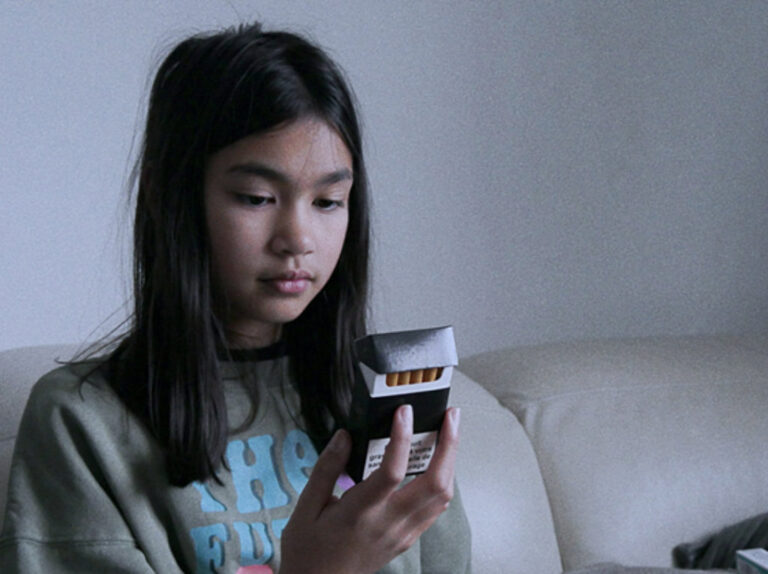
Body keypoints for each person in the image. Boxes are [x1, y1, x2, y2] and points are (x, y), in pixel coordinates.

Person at [0, 22, 471, 574]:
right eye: (257, 197)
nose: (297, 239)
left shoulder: (386, 402)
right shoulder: (82, 424)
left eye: (328, 201)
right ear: (168, 196)